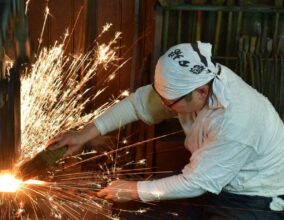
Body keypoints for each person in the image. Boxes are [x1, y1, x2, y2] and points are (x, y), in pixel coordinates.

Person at [47, 42, 284, 219]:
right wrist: (84, 135)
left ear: (201, 92)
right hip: (210, 171)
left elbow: (197, 183)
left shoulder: (237, 120)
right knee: (139, 211)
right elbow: (138, 104)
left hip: (254, 196)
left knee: (140, 198)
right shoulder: (194, 79)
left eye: (169, 103)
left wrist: (133, 190)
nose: (164, 107)